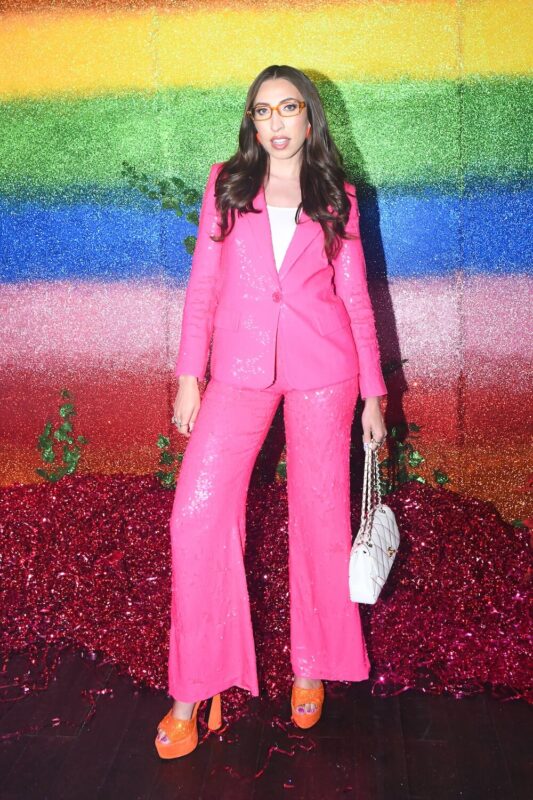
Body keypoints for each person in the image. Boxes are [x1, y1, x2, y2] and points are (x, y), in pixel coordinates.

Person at [155, 64, 387, 759]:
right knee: (195, 515)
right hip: (238, 370)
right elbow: (202, 286)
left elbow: (356, 300)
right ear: (251, 123)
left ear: (310, 117)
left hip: (325, 372)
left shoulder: (337, 195)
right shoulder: (226, 183)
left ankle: (312, 665)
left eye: (288, 108)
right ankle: (195, 687)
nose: (276, 122)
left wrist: (373, 394)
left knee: (319, 516)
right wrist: (189, 376)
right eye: (263, 111)